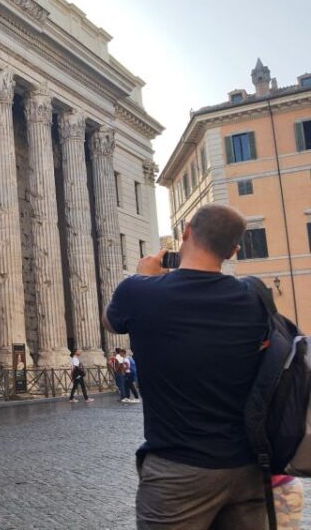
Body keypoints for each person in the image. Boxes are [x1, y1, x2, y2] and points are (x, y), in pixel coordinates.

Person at [103, 204, 268, 529]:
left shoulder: (138, 292)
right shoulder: (255, 297)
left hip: (177, 470)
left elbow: (110, 322)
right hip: (248, 468)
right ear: (234, 250)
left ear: (186, 232)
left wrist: (142, 277)